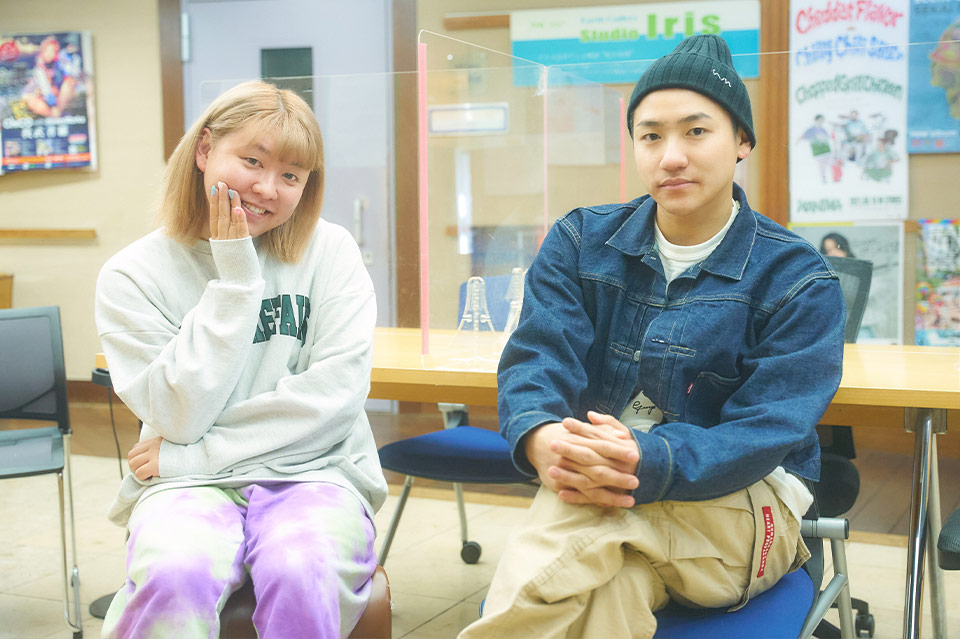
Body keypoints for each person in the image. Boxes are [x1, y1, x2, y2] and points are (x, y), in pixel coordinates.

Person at [458, 34, 845, 639]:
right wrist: (541, 437)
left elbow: (766, 431)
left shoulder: (798, 278)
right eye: (651, 136)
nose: (671, 157)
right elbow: (537, 358)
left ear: (742, 141)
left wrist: (646, 459)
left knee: (586, 522)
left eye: (696, 132)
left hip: (749, 503)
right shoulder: (580, 243)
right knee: (608, 592)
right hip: (606, 484)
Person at [95, 81, 387, 639]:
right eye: (252, 161)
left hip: (315, 471)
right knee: (175, 572)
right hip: (182, 488)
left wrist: (193, 457)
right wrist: (235, 281)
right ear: (205, 149)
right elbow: (178, 415)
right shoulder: (132, 275)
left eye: (291, 176)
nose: (266, 188)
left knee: (302, 568)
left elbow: (333, 400)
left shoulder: (331, 252)